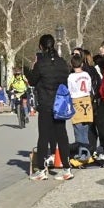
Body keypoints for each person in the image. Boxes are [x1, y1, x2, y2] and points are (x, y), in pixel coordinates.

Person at [29, 33, 72, 180]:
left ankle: (41, 170)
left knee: (44, 137)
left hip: (46, 103)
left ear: (41, 47)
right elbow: (65, 80)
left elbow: (32, 81)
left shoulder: (41, 64)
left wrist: (34, 66)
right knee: (62, 135)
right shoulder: (62, 63)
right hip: (59, 103)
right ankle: (66, 168)